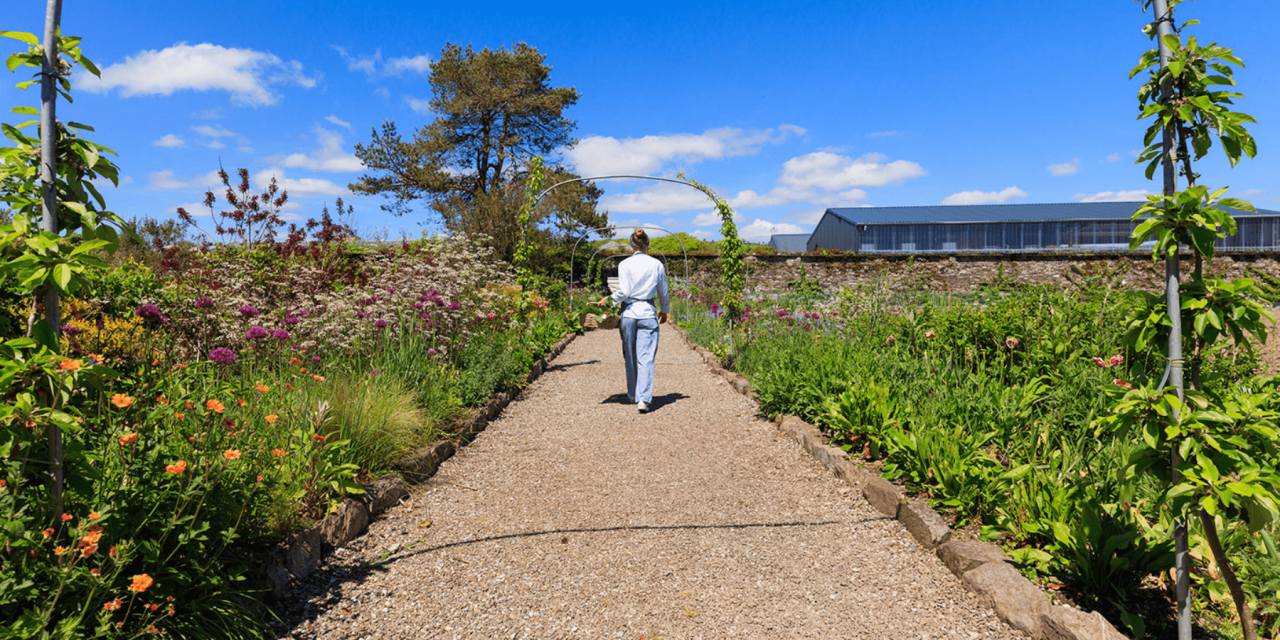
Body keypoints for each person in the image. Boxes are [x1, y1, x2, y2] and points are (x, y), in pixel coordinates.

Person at [592, 229, 669, 413]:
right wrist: (664, 310)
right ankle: (644, 400)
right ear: (648, 244)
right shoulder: (656, 264)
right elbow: (663, 291)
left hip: (628, 314)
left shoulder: (624, 264)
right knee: (646, 357)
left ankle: (633, 393)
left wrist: (608, 300)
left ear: (631, 245)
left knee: (630, 355)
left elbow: (624, 292)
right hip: (648, 313)